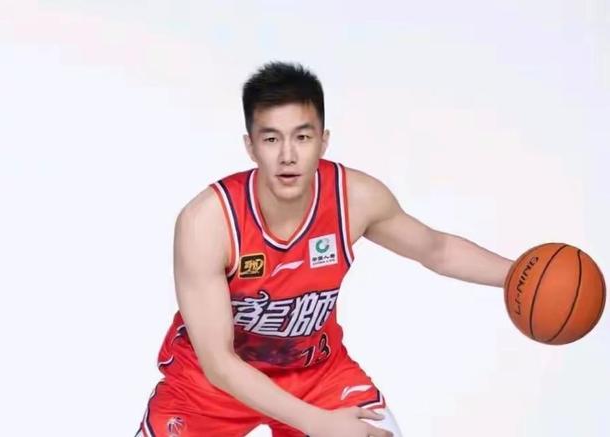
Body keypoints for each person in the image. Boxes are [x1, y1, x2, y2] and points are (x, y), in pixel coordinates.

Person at [135, 61, 514, 437]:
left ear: (323, 140)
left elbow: (437, 249)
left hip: (315, 373)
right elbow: (218, 362)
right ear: (250, 146)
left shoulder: (355, 198)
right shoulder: (208, 221)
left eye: (302, 137)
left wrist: (522, 276)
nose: (287, 155)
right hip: (210, 386)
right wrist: (317, 423)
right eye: (271, 139)